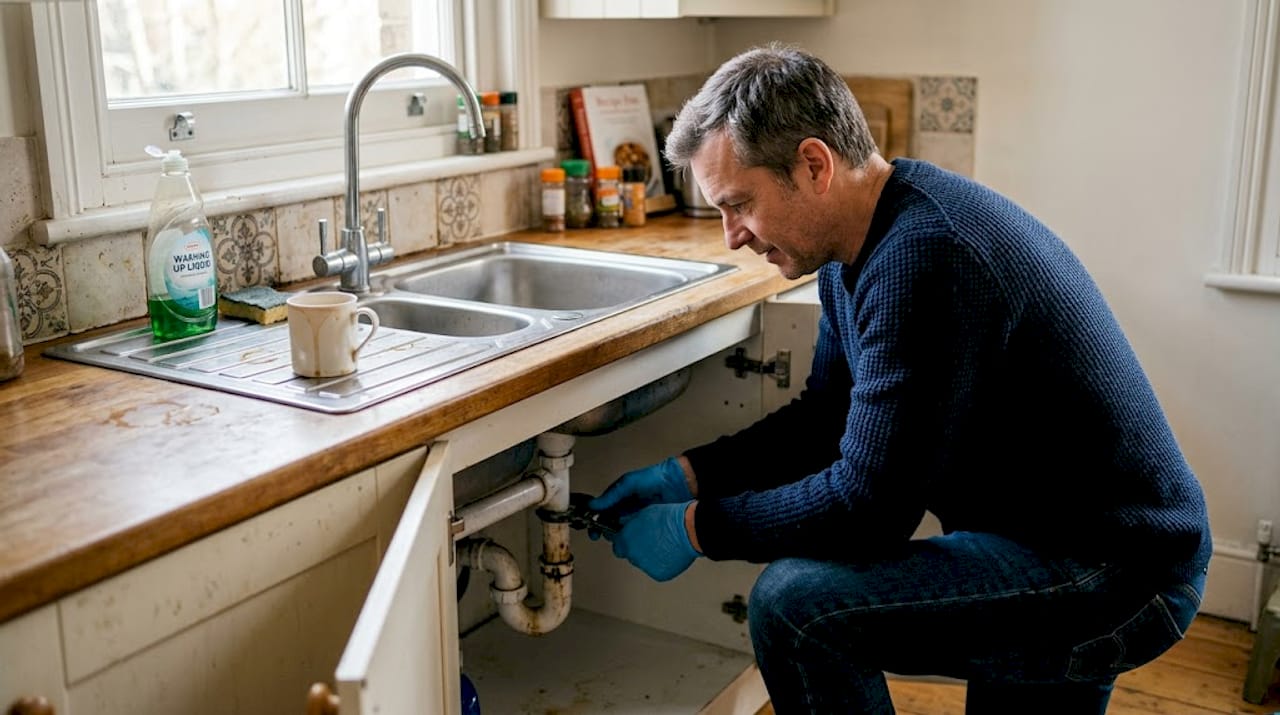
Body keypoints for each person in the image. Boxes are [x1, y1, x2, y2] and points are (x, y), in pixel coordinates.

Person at [588, 43, 1212, 714]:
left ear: (813, 165)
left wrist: (695, 527)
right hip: (1059, 540)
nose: (731, 236)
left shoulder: (929, 256)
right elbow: (825, 419)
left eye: (738, 204)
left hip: (1112, 568)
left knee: (797, 606)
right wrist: (686, 474)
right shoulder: (855, 243)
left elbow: (867, 512)